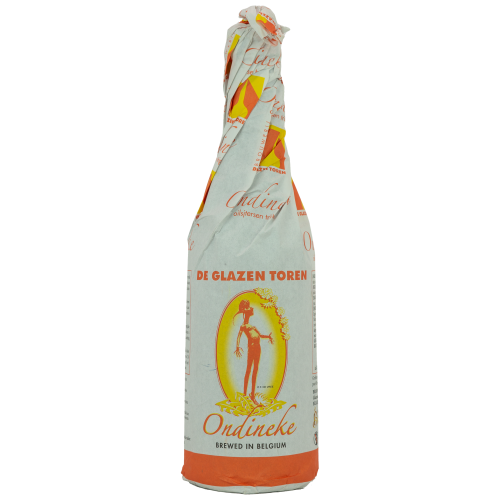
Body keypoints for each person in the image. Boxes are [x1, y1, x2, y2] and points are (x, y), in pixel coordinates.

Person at [233, 300, 273, 406]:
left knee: (255, 371)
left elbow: (260, 336)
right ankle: (244, 395)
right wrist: (237, 347)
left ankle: (252, 396)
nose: (252, 309)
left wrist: (268, 336)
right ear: (245, 312)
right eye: (249, 308)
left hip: (258, 348)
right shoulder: (243, 326)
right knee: (248, 370)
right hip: (251, 348)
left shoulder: (253, 327)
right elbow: (239, 336)